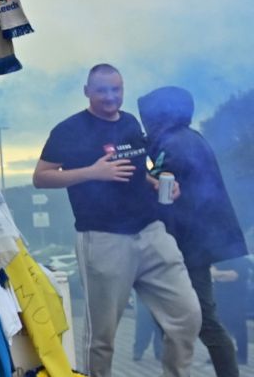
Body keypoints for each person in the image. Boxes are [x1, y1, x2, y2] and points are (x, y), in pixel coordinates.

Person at [33, 63, 201, 377]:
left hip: (151, 232)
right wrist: (93, 173)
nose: (111, 97)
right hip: (102, 238)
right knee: (103, 337)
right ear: (87, 92)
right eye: (102, 90)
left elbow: (139, 170)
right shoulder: (68, 130)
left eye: (116, 90)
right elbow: (41, 177)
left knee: (188, 316)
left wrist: (158, 181)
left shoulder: (129, 122)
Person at [139, 86, 248, 377]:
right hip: (197, 243)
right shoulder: (187, 138)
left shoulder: (172, 144)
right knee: (192, 319)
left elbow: (164, 194)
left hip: (188, 246)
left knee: (203, 320)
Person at [213, 256, 252, 365]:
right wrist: (223, 275)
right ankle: (224, 355)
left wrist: (219, 275)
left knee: (239, 326)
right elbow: (211, 272)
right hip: (221, 296)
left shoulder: (240, 259)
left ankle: (241, 356)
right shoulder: (220, 258)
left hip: (237, 297)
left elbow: (233, 276)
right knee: (222, 326)